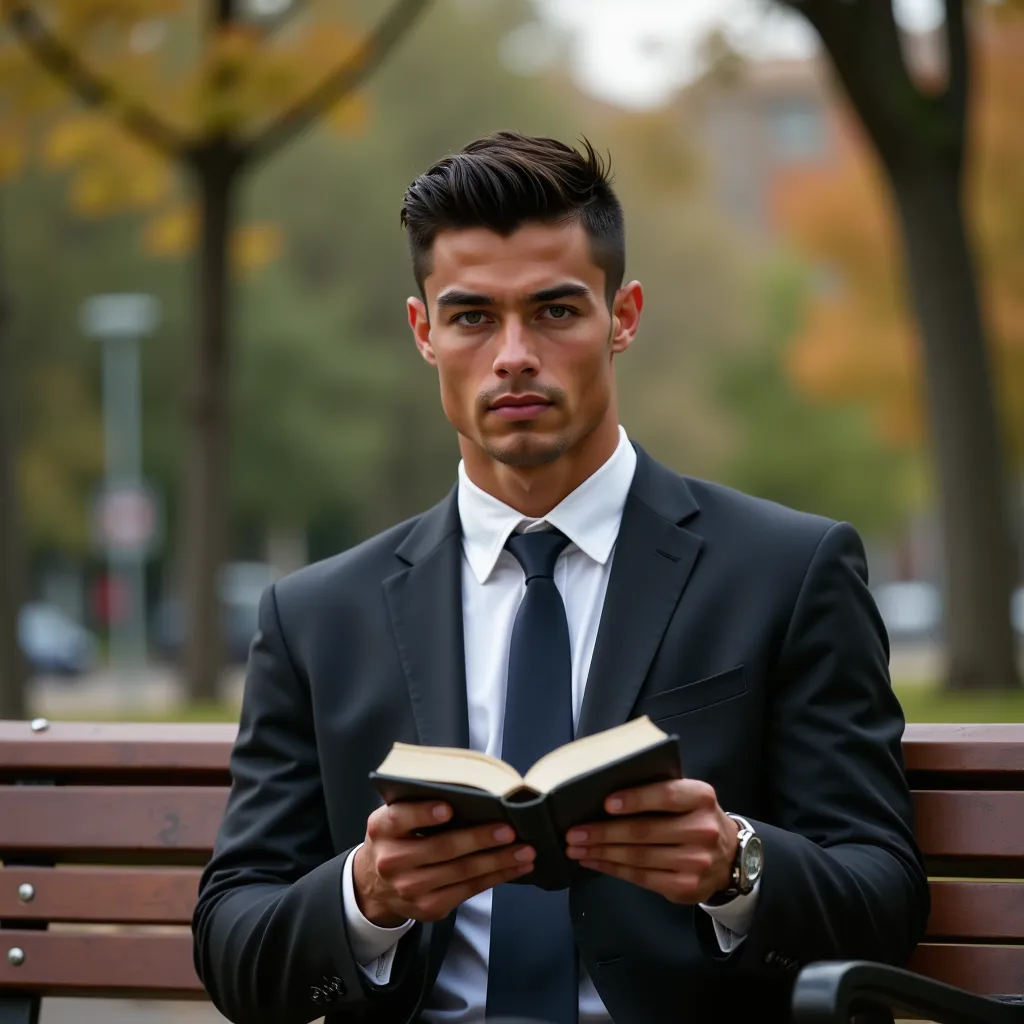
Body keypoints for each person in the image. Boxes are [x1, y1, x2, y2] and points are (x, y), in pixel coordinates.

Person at [192, 131, 929, 1024]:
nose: (512, 355)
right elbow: (233, 938)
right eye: (472, 317)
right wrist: (366, 895)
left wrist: (737, 865)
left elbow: (882, 896)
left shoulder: (788, 573)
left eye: (554, 310)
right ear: (423, 331)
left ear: (623, 317)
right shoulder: (316, 617)